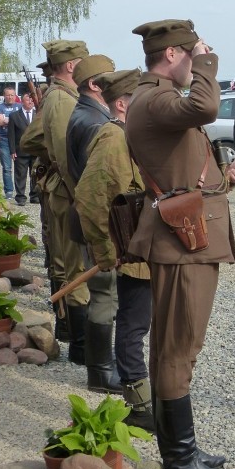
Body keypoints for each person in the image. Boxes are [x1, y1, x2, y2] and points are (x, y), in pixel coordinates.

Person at [126, 19, 235, 469]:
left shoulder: (153, 99)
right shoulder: (154, 98)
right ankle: (181, 468)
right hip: (182, 246)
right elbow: (206, 104)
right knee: (178, 351)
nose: (197, 60)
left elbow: (181, 167)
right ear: (174, 54)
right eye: (191, 53)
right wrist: (206, 62)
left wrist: (224, 178)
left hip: (187, 235)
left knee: (174, 348)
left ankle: (185, 452)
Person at [74, 69, 154, 430]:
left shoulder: (136, 134)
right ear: (122, 104)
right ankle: (138, 406)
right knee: (133, 327)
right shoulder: (112, 137)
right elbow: (89, 198)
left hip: (152, 248)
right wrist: (107, 252)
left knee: (145, 324)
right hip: (133, 253)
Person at [66, 53, 120, 394]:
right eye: (111, 81)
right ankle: (100, 371)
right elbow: (100, 183)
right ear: (95, 85)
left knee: (105, 292)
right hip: (99, 218)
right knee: (105, 293)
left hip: (93, 215)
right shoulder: (93, 122)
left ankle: (102, 364)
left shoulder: (88, 114)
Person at [39, 39, 90, 364]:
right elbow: (64, 155)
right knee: (76, 268)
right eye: (82, 60)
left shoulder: (64, 96)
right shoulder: (59, 100)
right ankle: (83, 348)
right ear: (71, 65)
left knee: (74, 266)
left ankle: (79, 341)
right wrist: (84, 198)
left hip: (68, 192)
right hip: (69, 194)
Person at [8, 93, 37, 206]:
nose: (30, 101)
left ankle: (34, 195)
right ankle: (20, 197)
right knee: (20, 175)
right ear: (21, 101)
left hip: (35, 151)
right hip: (20, 151)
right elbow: (11, 135)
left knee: (35, 174)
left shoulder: (38, 114)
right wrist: (12, 150)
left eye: (31, 99)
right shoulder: (14, 116)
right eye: (27, 99)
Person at [0, 87, 20, 199]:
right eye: (8, 95)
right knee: (7, 168)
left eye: (12, 95)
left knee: (20, 167)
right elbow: (0, 121)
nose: (10, 97)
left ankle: (20, 191)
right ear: (4, 96)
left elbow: (23, 121)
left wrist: (8, 120)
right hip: (4, 139)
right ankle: (9, 191)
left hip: (18, 140)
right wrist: (15, 121)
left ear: (15, 96)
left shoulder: (20, 106)